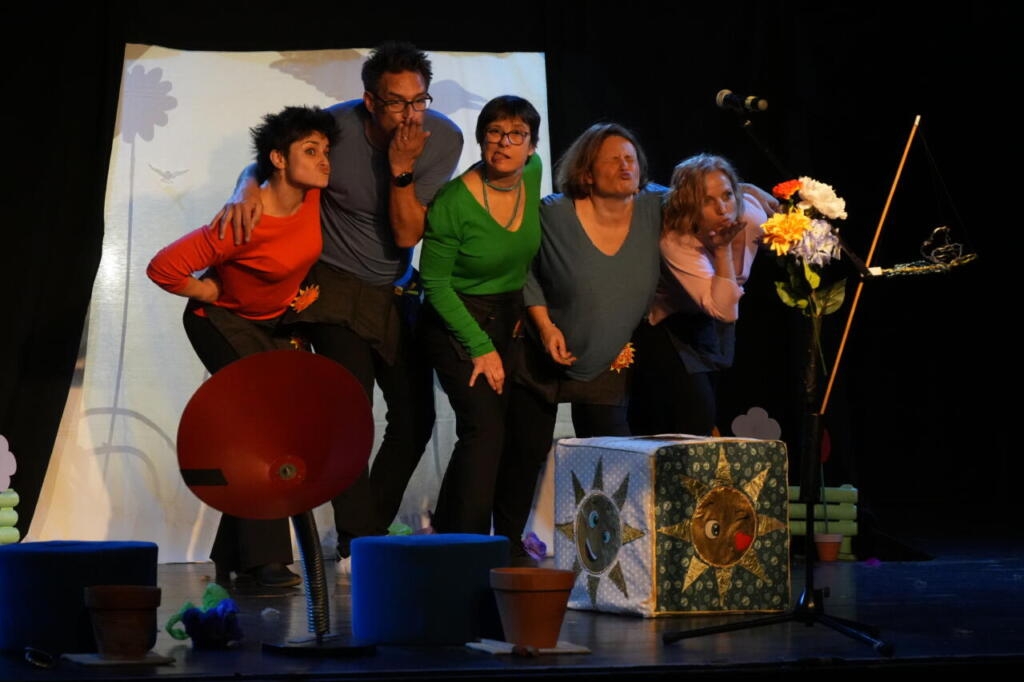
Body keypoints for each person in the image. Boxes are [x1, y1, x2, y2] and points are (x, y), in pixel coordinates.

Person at [213, 42, 464, 572]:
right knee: (349, 412)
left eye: (418, 101)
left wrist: (401, 169)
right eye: (396, 103)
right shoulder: (335, 128)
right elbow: (267, 160)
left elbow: (406, 234)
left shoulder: (442, 137)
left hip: (394, 287)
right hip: (331, 283)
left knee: (415, 416)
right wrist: (243, 187)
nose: (410, 115)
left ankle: (368, 528)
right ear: (369, 101)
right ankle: (357, 541)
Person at [147, 104, 337, 593]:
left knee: (281, 423)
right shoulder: (242, 221)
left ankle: (231, 552)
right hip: (219, 323)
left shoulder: (311, 195)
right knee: (265, 429)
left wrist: (247, 181)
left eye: (325, 150)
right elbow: (163, 268)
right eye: (310, 150)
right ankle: (263, 562)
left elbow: (257, 172)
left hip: (269, 324)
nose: (323, 160)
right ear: (279, 158)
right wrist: (209, 291)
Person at [493, 122, 665, 561]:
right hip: (542, 352)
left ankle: (614, 555)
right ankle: (506, 549)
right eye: (614, 159)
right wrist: (545, 326)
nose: (626, 166)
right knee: (525, 452)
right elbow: (524, 271)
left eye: (631, 158)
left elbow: (706, 193)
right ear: (586, 172)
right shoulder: (554, 214)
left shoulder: (654, 206)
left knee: (613, 458)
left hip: (608, 358)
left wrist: (757, 198)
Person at [418, 95, 543, 535]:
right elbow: (434, 284)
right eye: (494, 132)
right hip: (456, 317)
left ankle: (449, 531)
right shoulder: (453, 202)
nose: (504, 143)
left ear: (532, 146)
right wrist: (479, 346)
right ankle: (468, 547)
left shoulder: (533, 171)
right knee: (484, 429)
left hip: (507, 314)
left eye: (517, 135)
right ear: (481, 139)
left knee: (501, 430)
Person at [628, 153, 769, 437]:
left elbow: (787, 225)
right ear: (690, 205)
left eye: (727, 195)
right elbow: (725, 311)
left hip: (710, 324)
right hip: (670, 326)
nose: (723, 209)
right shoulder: (677, 240)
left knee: (712, 411)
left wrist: (752, 191)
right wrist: (722, 250)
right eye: (707, 201)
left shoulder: (751, 216)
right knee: (695, 416)